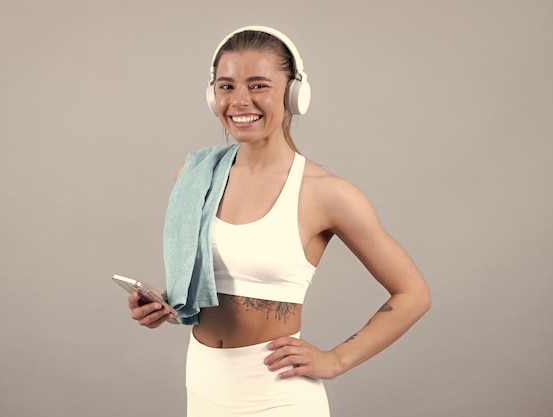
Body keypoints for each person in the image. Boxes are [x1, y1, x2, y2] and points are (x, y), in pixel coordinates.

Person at [128, 26, 431, 416]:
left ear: (293, 94)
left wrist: (337, 359)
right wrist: (165, 306)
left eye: (258, 86)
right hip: (203, 387)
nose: (239, 101)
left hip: (277, 396)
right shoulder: (193, 176)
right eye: (226, 86)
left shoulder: (325, 192)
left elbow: (413, 294)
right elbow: (208, 280)